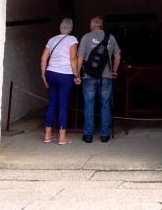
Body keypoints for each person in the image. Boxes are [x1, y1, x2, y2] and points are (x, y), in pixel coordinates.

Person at [76, 15, 121, 143]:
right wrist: (114, 71)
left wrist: (77, 74)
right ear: (101, 25)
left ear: (92, 24)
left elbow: (79, 57)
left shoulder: (86, 37)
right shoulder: (110, 37)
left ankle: (88, 135)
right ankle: (104, 135)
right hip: (106, 76)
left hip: (89, 76)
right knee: (105, 104)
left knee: (89, 105)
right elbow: (117, 56)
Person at [41, 18, 79, 145]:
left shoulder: (52, 40)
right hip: (65, 75)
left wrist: (43, 75)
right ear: (71, 28)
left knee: (52, 104)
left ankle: (47, 135)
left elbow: (43, 58)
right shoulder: (72, 39)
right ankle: (62, 138)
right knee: (62, 105)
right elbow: (73, 58)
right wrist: (76, 74)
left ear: (60, 27)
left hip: (51, 73)